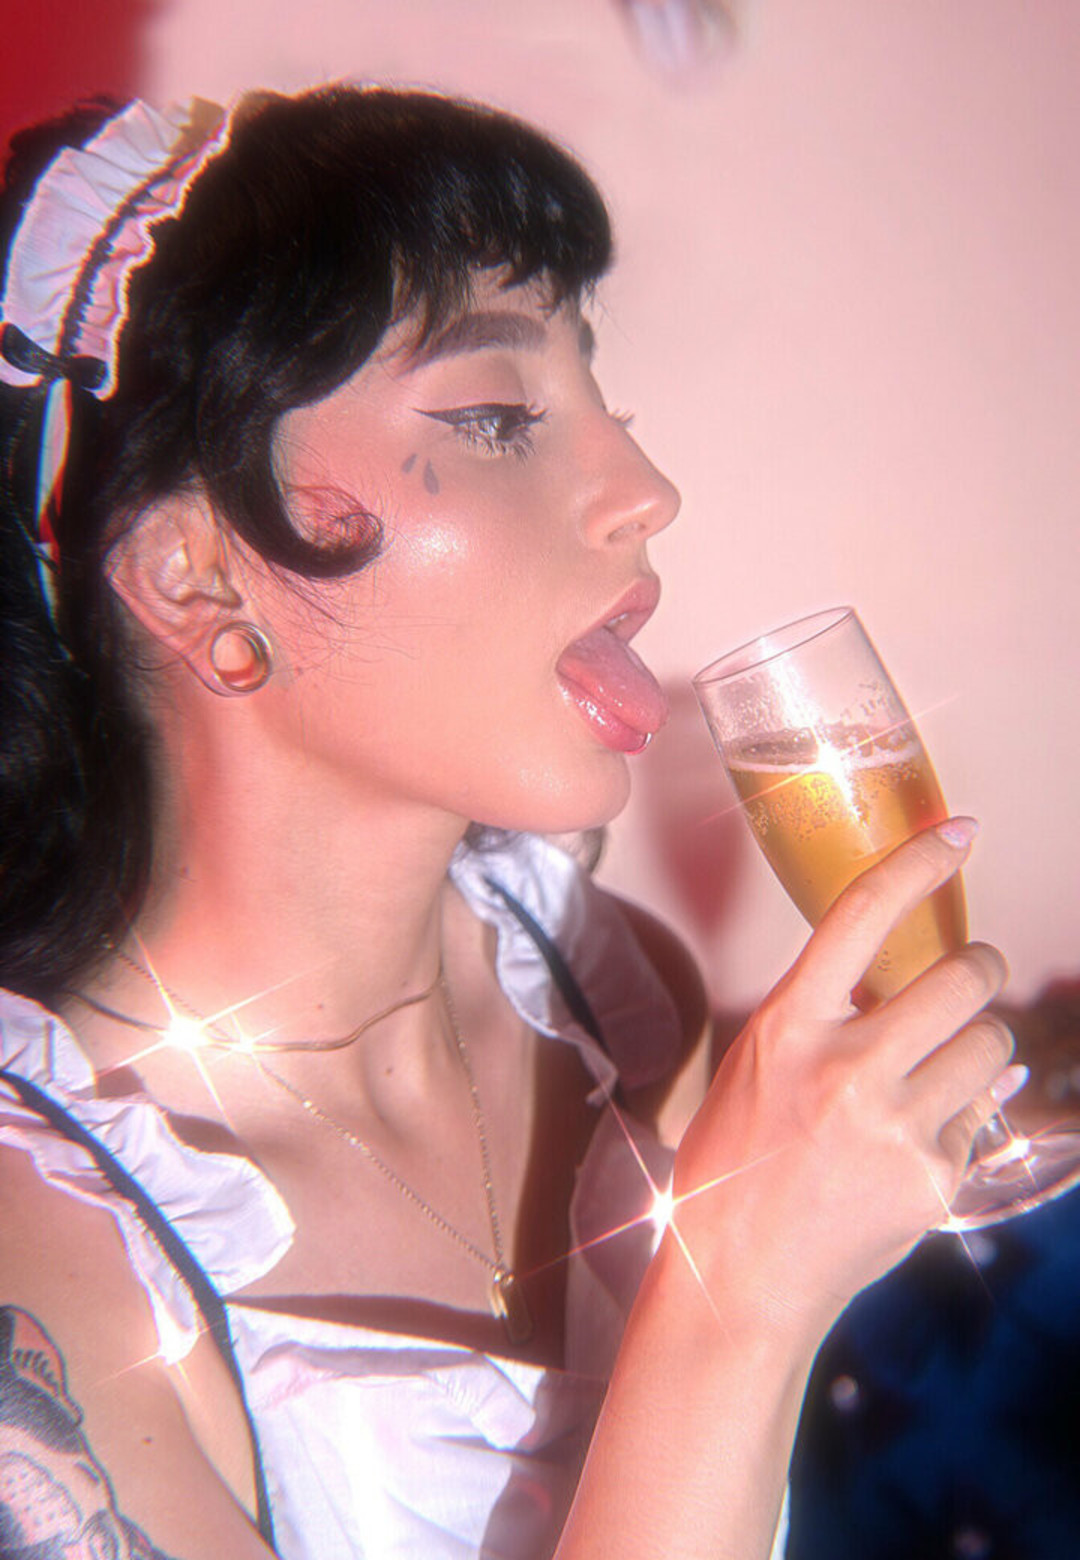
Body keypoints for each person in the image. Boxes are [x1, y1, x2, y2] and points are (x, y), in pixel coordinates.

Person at [0, 84, 1021, 1560]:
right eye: (494, 419)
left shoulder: (611, 988)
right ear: (196, 577)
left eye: (602, 399)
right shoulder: (48, 1257)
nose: (646, 492)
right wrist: (738, 1298)